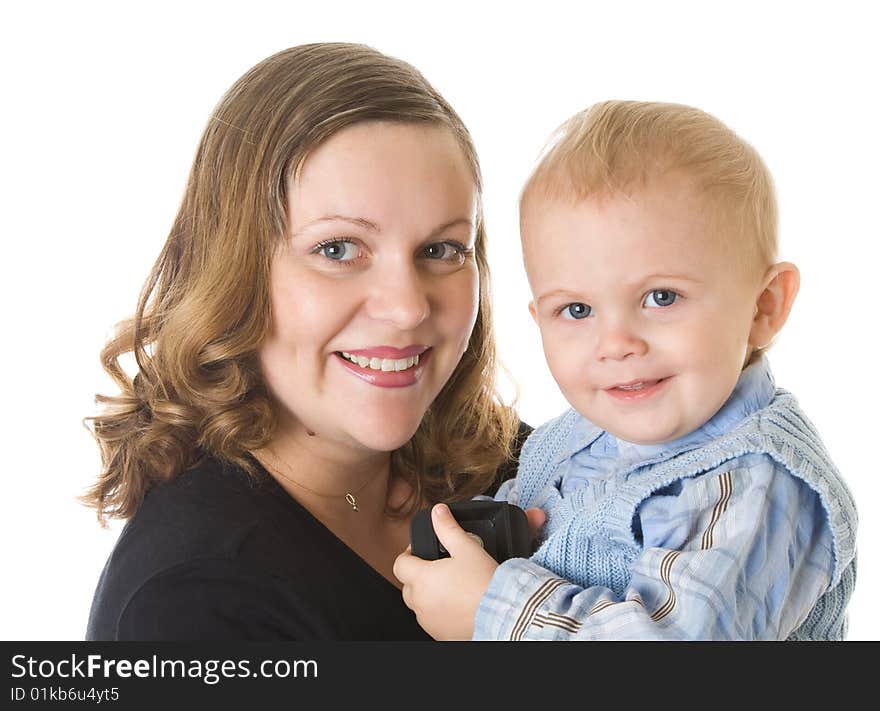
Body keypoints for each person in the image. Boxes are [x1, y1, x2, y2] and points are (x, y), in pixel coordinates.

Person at [83, 43, 526, 640]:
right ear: (233, 272)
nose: (406, 308)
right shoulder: (192, 605)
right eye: (338, 249)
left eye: (441, 249)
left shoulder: (532, 469)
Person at [394, 100, 858, 640]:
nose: (615, 344)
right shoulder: (575, 437)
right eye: (577, 310)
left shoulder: (759, 485)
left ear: (764, 306)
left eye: (661, 297)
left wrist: (491, 609)